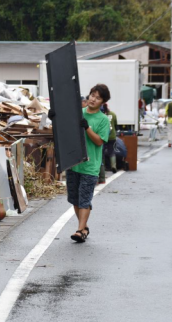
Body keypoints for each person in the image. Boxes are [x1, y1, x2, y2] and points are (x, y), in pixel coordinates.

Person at [49, 84, 110, 243]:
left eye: (97, 98)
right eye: (92, 95)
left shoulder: (103, 120)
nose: (93, 99)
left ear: (102, 102)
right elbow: (64, 129)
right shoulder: (78, 113)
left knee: (84, 199)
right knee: (75, 199)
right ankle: (83, 227)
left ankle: (79, 230)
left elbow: (98, 142)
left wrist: (87, 127)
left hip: (90, 166)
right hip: (73, 163)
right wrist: (54, 118)